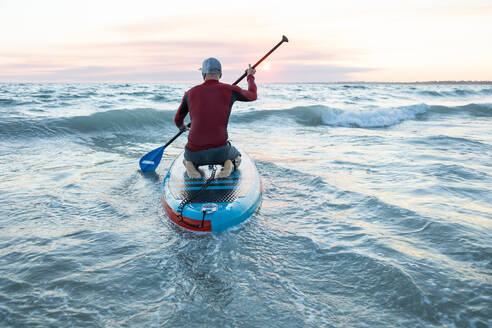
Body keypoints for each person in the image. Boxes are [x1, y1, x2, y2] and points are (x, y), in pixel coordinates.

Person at [174, 57, 257, 179]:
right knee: (237, 156)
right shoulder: (230, 90)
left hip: (194, 152)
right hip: (220, 151)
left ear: (203, 73)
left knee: (188, 156)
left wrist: (182, 127)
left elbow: (178, 120)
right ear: (220, 74)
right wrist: (250, 76)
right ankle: (230, 164)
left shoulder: (190, 93)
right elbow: (253, 95)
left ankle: (190, 164)